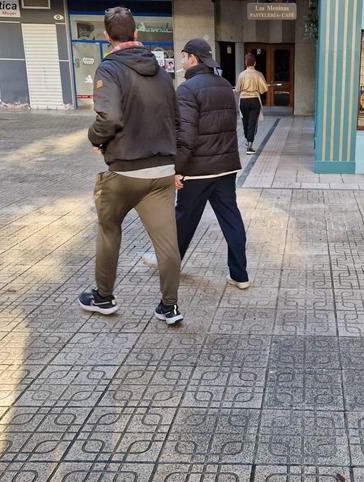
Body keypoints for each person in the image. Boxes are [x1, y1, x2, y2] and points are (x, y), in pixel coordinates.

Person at [78, 6, 184, 324]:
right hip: (163, 171)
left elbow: (108, 117)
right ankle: (170, 306)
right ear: (136, 34)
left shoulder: (109, 70)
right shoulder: (164, 74)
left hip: (124, 171)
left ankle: (104, 296)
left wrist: (96, 139)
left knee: (109, 229)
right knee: (167, 242)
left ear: (108, 37)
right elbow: (178, 121)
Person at [174, 38, 250, 290]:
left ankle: (170, 265)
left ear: (193, 58)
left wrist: (178, 169)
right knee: (231, 218)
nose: (182, 61)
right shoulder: (225, 86)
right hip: (226, 167)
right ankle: (239, 275)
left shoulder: (187, 89)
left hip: (197, 170)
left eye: (183, 56)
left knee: (183, 219)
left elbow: (186, 135)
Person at [235, 53, 269, 155]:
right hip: (254, 100)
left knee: (245, 121)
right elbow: (264, 88)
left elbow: (237, 89)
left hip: (244, 100)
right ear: (255, 63)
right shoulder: (258, 74)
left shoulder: (242, 74)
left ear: (246, 63)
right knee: (252, 123)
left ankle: (247, 139)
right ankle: (250, 146)